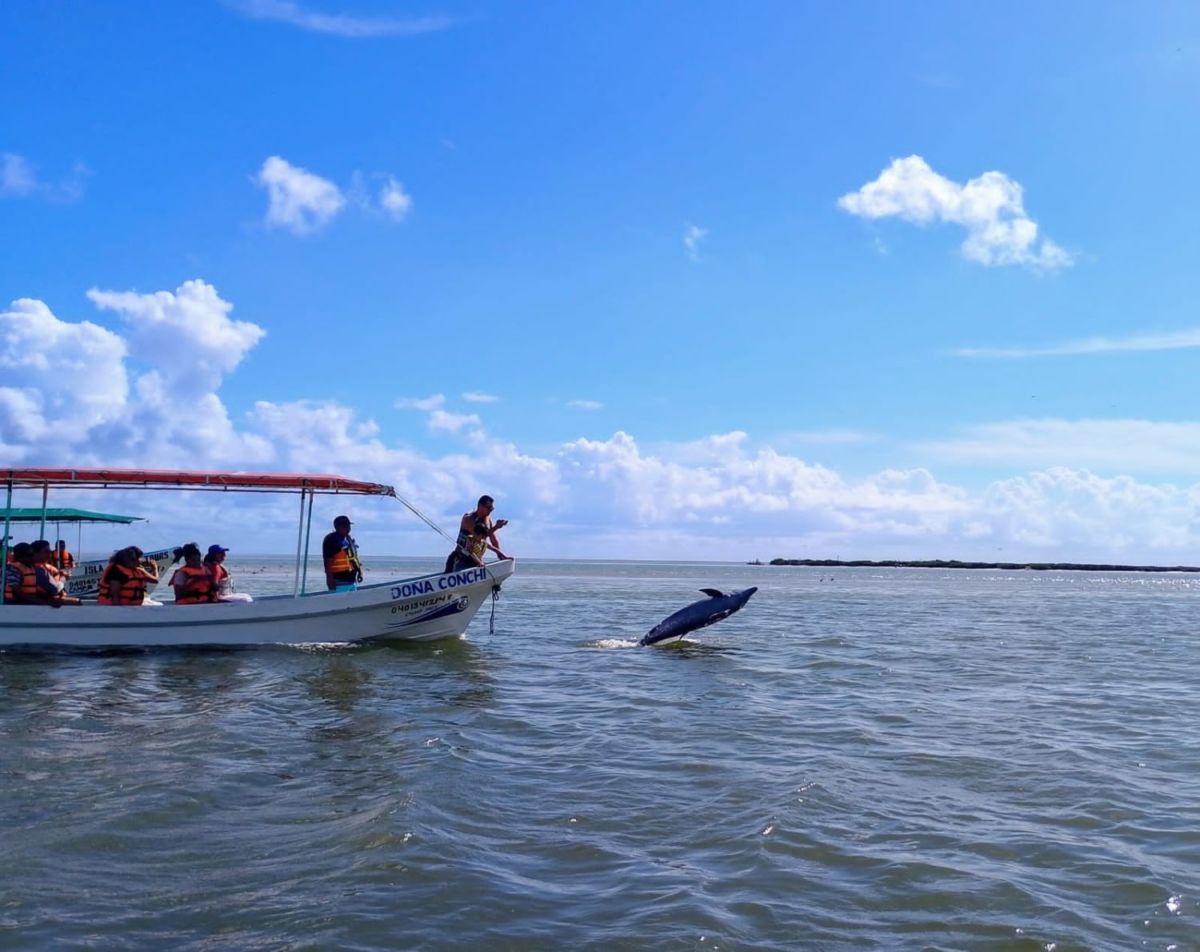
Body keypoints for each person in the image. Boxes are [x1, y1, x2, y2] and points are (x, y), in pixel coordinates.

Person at [444, 495, 509, 574]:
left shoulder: (488, 520)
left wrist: (500, 556)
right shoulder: (468, 518)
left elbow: (493, 540)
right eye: (488, 508)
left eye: (492, 509)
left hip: (475, 560)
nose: (490, 511)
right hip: (460, 560)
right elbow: (479, 536)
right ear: (480, 506)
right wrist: (496, 527)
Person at [28, 540, 82, 606]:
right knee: (77, 602)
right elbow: (55, 589)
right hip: (40, 601)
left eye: (49, 552)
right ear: (35, 553)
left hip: (42, 598)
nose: (49, 554)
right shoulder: (37, 569)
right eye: (46, 552)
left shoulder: (40, 567)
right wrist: (63, 578)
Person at [322, 515, 363, 591]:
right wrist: (329, 578)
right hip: (339, 582)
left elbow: (353, 559)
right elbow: (327, 561)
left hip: (351, 581)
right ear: (337, 527)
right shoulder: (332, 539)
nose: (348, 528)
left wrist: (359, 572)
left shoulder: (348, 539)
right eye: (345, 526)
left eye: (348, 526)